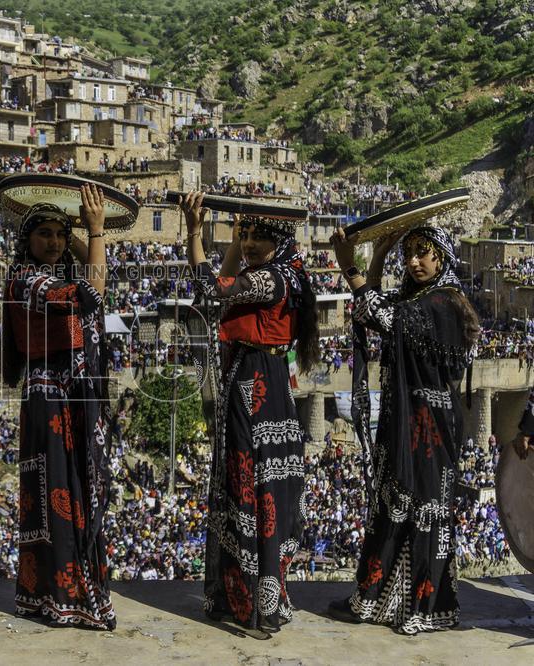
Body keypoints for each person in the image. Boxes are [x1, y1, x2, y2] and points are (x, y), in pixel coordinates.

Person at [179, 193, 318, 638]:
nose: (252, 243)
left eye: (260, 236)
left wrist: (193, 231)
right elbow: (224, 283)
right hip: (262, 380)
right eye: (248, 234)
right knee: (260, 486)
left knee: (255, 486)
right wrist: (236, 242)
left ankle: (260, 604)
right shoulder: (282, 272)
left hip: (254, 385)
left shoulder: (271, 280)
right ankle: (247, 597)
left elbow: (209, 288)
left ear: (279, 239)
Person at [328, 225, 479, 634]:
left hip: (428, 424)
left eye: (423, 252)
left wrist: (350, 267)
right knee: (392, 505)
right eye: (408, 252)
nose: (413, 261)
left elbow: (380, 313)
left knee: (426, 510)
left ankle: (427, 607)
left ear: (442, 257)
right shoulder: (418, 299)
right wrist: (377, 256)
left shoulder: (442, 304)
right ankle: (377, 599)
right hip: (406, 416)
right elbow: (369, 310)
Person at [0, 185, 116, 629]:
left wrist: (84, 231)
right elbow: (93, 293)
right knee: (58, 496)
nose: (53, 242)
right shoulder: (27, 281)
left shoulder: (56, 272)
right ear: (27, 239)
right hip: (51, 399)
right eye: (44, 233)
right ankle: (65, 596)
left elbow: (94, 278)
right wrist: (97, 231)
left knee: (73, 494)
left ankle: (58, 594)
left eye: (59, 235)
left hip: (69, 396)